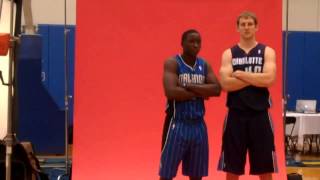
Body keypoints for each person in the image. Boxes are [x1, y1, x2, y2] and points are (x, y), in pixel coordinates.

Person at [217, 11, 278, 180]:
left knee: (265, 166)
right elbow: (225, 84)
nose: (246, 27)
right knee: (232, 166)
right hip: (235, 115)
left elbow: (270, 79)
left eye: (250, 24)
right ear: (237, 28)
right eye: (243, 24)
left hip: (261, 115)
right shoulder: (229, 53)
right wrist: (256, 79)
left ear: (256, 27)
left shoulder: (267, 51)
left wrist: (240, 74)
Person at [159, 29, 221, 180]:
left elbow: (217, 89)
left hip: (198, 126)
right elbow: (171, 92)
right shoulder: (173, 63)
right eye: (191, 41)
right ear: (182, 43)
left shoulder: (204, 64)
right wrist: (201, 92)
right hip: (177, 124)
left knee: (196, 175)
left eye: (198, 42)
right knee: (166, 174)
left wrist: (187, 87)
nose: (196, 45)